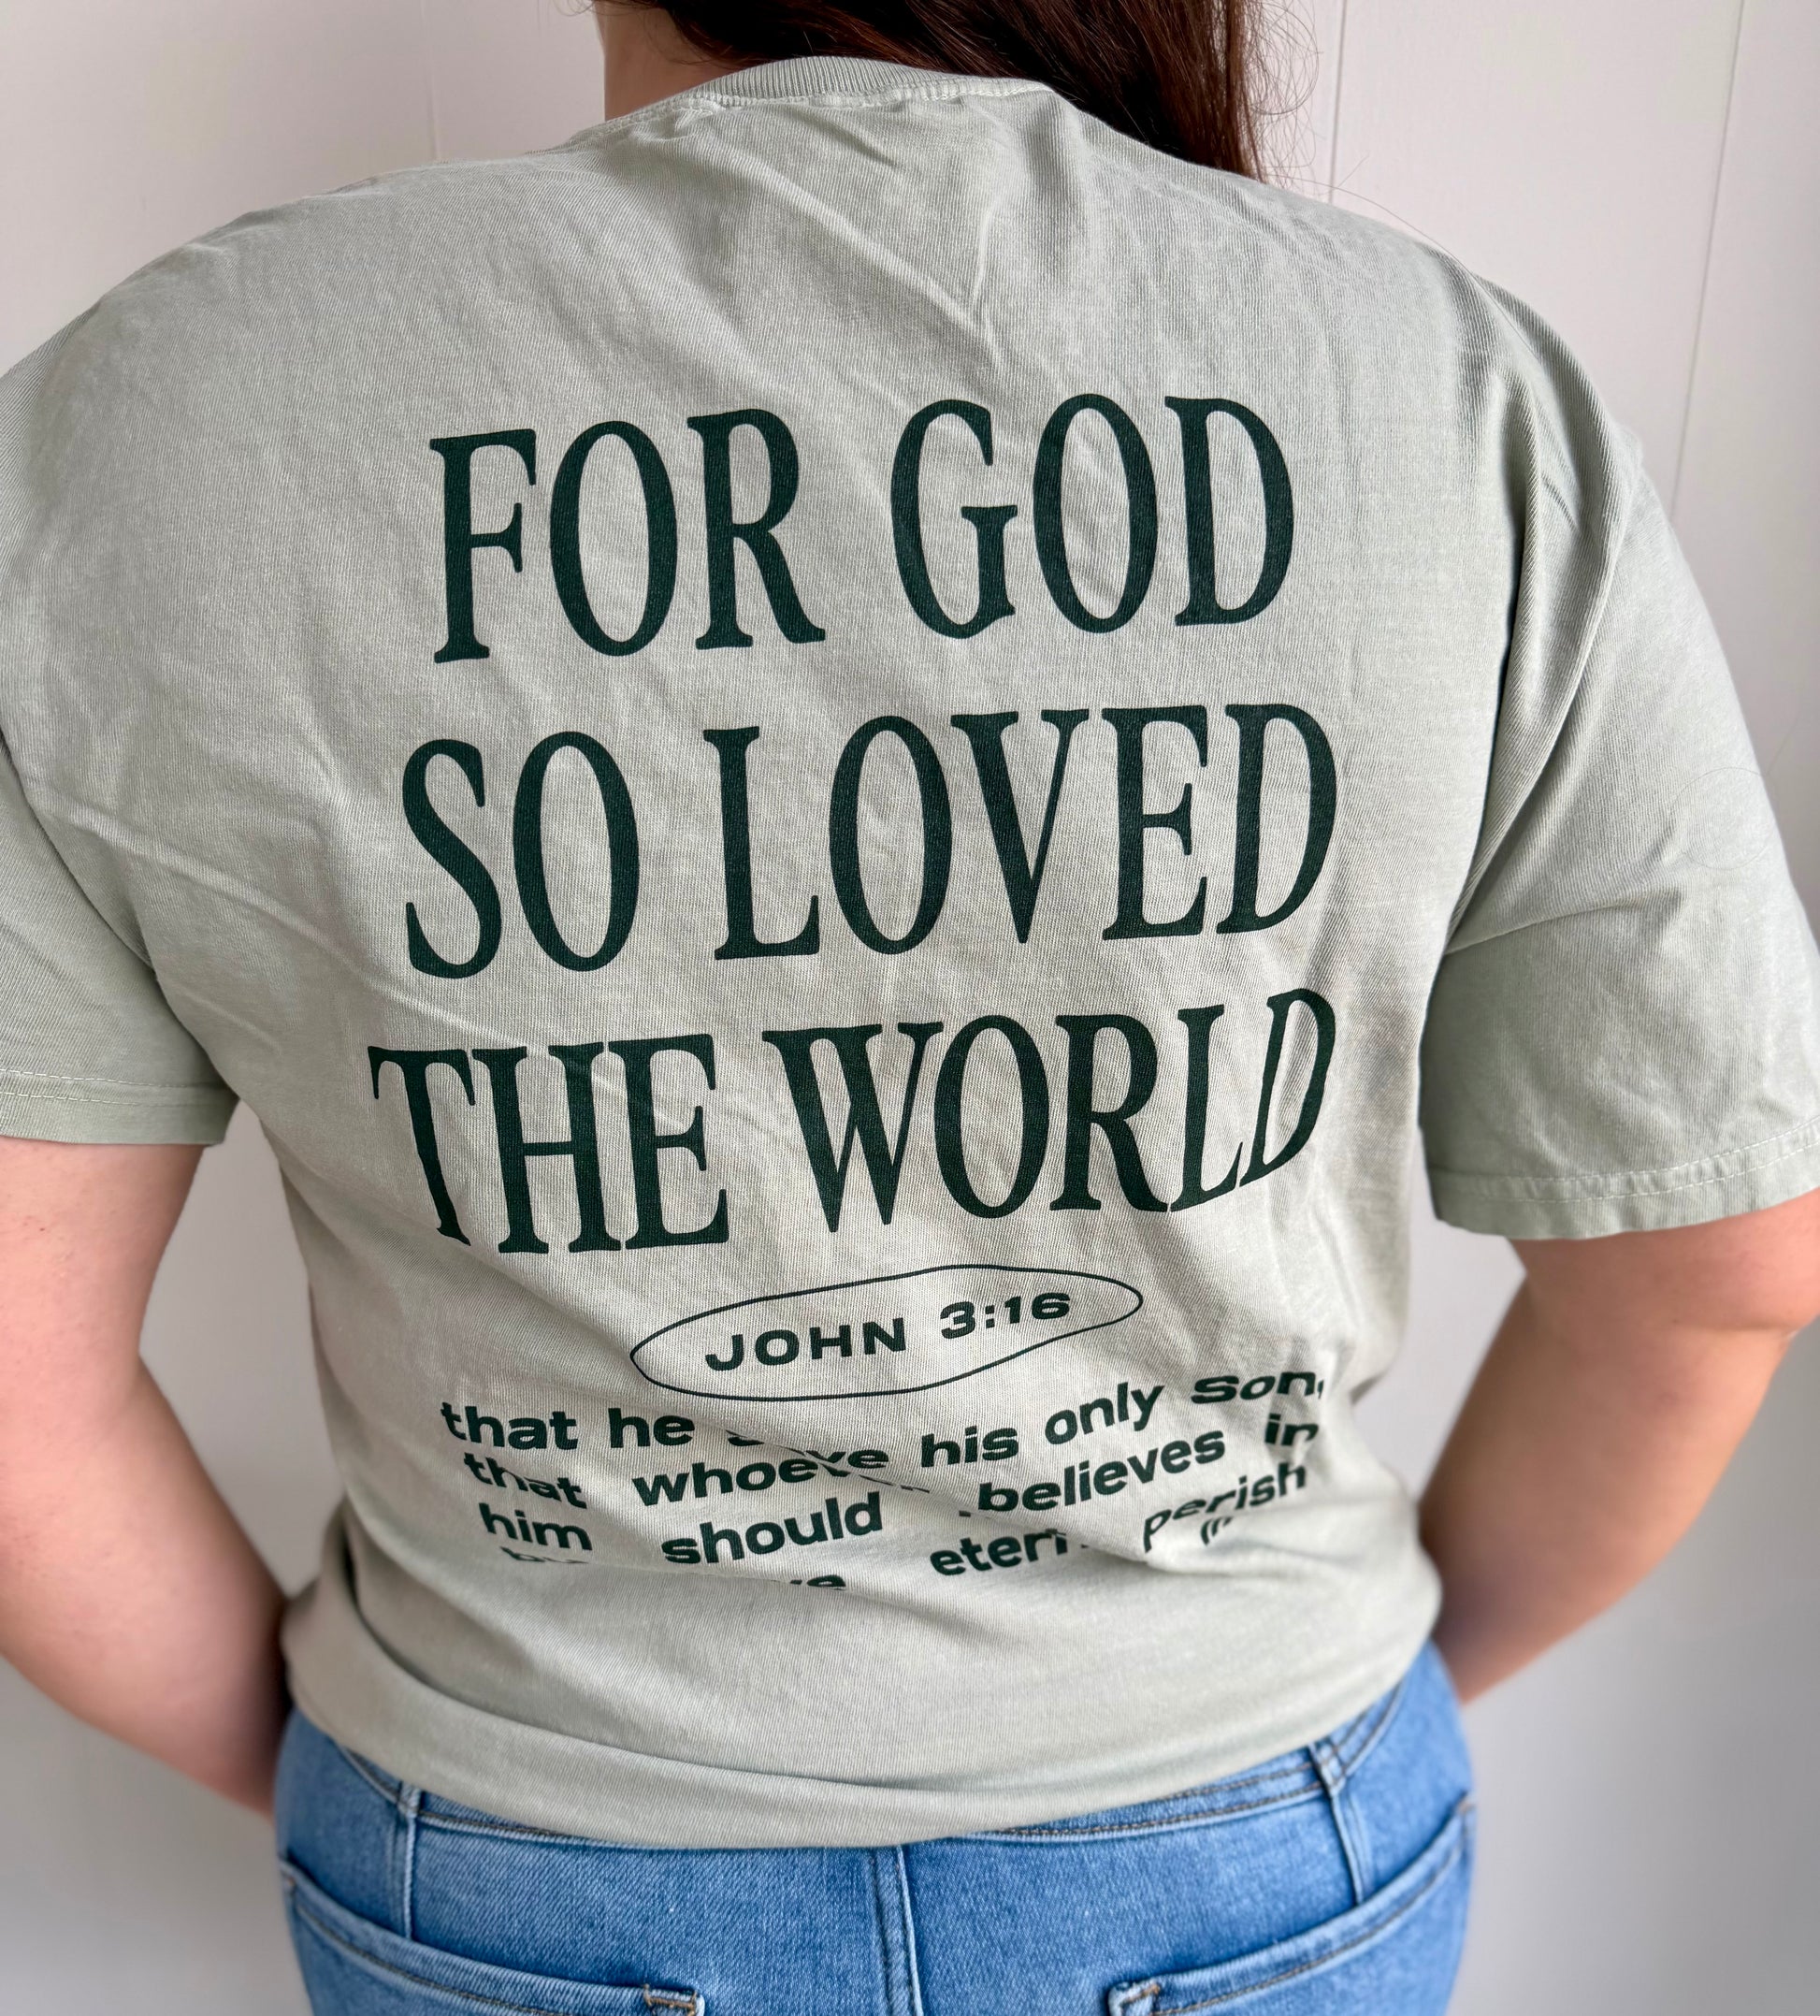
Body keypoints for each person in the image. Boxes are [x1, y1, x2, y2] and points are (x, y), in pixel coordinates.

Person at [2, 2, 1817, 2008]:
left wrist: (352, 1775)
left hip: (510, 1848)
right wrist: (1325, 1691)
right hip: (1255, 1848)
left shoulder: (145, 422)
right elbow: (1713, 1271)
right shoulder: (1447, 397)